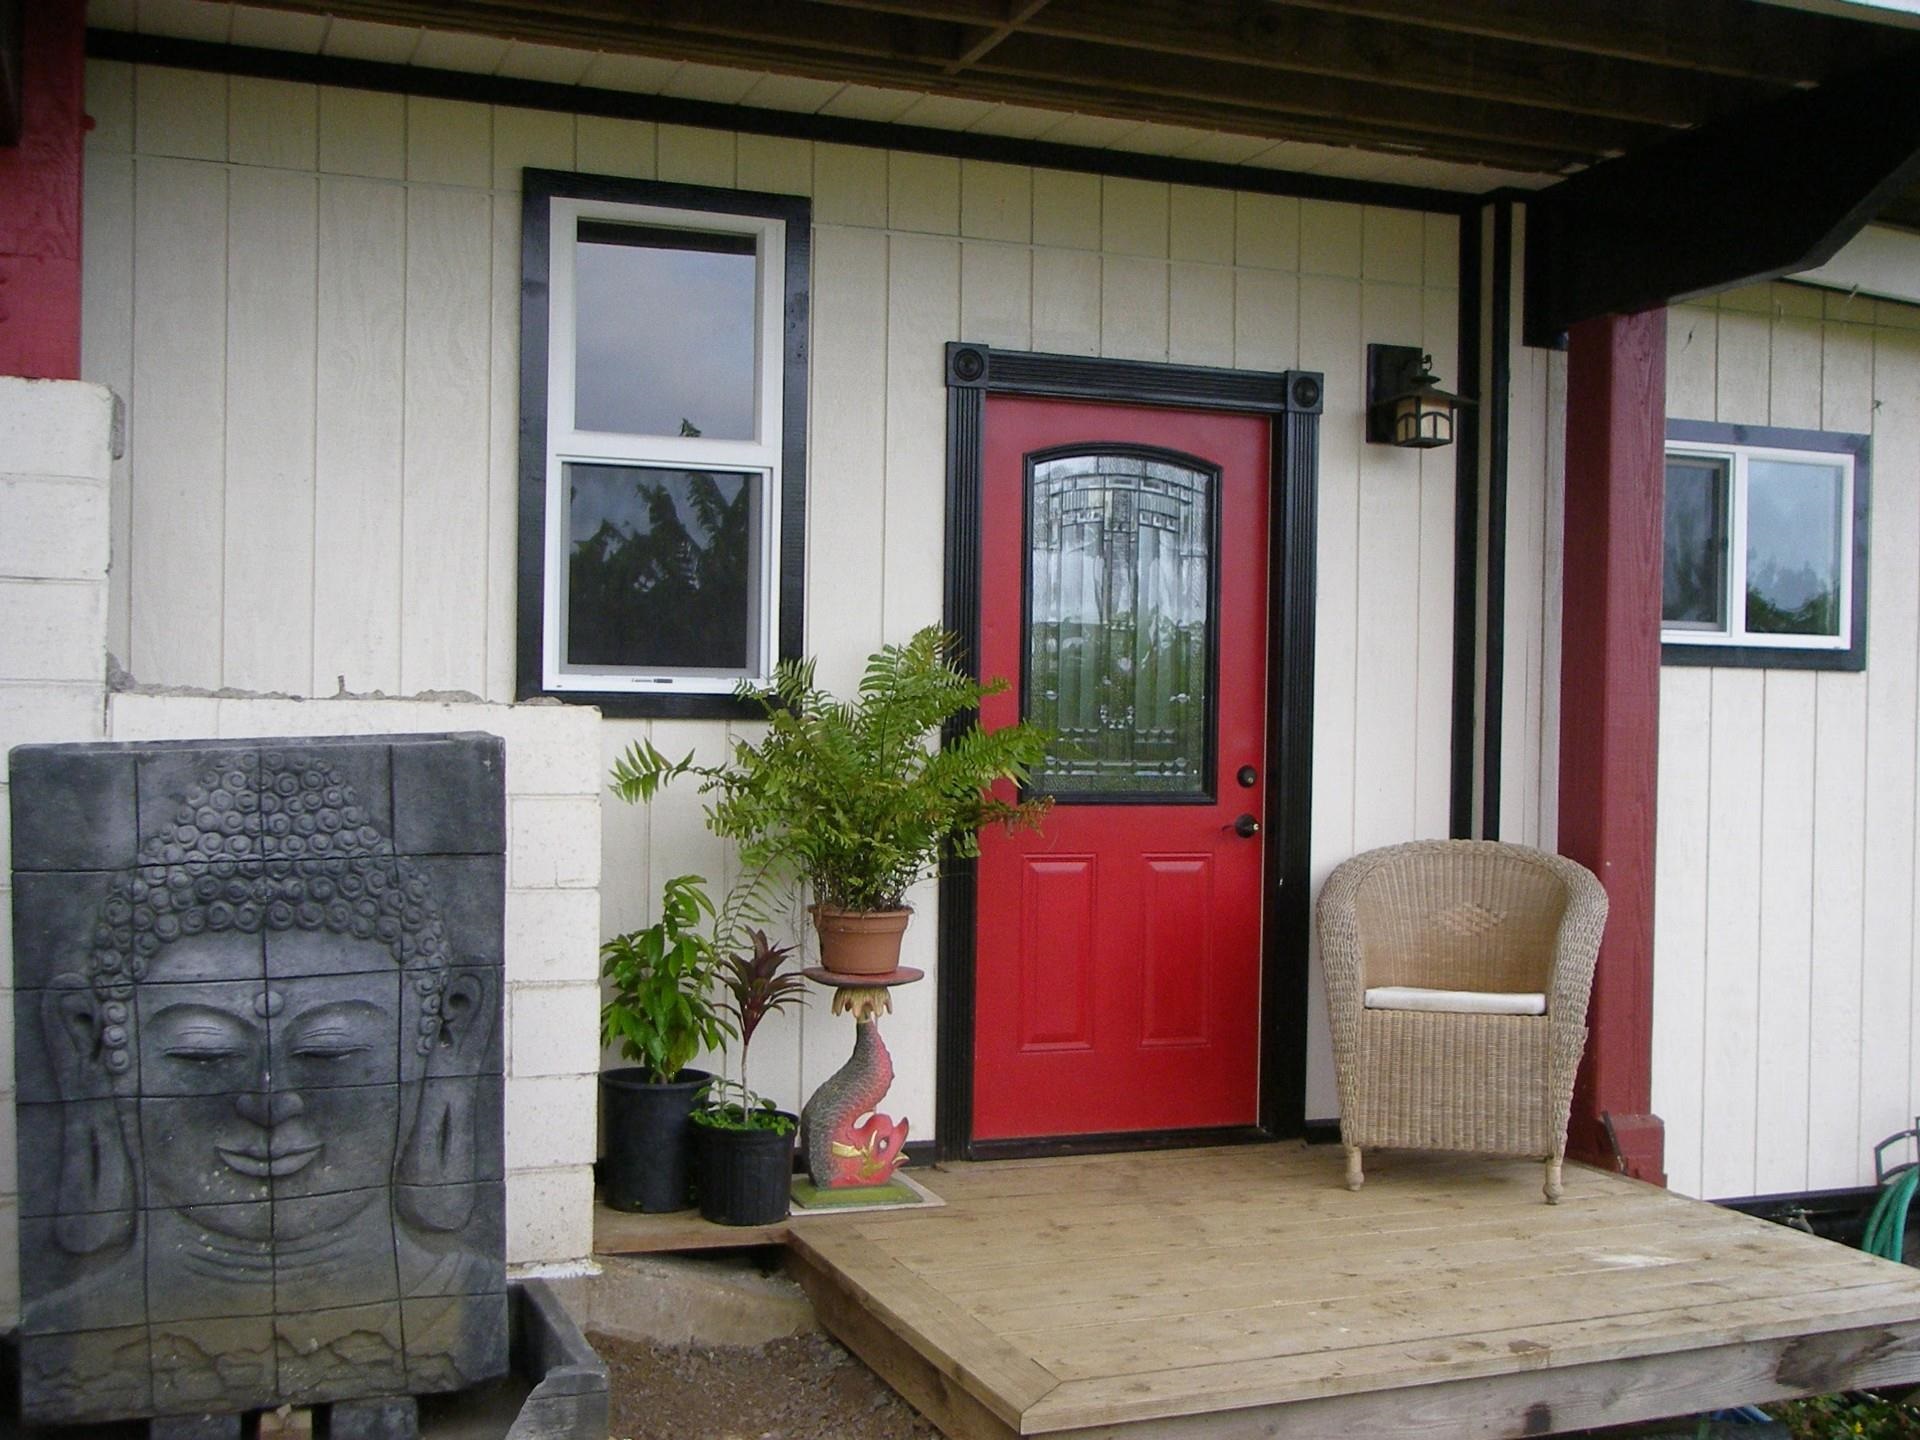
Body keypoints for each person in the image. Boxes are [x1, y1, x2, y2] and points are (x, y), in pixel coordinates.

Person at [19, 747, 503, 1426]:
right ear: (91, 1046)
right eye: (202, 1052)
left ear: (448, 1031)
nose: (270, 1103)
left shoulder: (466, 1304)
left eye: (328, 1050)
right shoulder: (74, 1334)